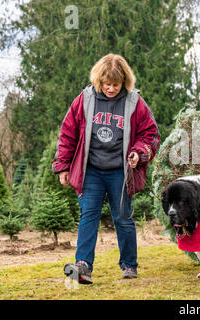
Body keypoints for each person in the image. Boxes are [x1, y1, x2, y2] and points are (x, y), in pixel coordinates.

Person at [52, 53, 160, 284]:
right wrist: (63, 166)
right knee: (88, 215)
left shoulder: (134, 102)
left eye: (115, 84)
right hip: (91, 170)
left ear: (124, 82)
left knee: (122, 217)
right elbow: (68, 133)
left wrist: (138, 153)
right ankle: (83, 266)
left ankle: (129, 265)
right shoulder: (85, 99)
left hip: (119, 172)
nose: (110, 88)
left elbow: (150, 133)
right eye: (106, 84)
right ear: (98, 80)